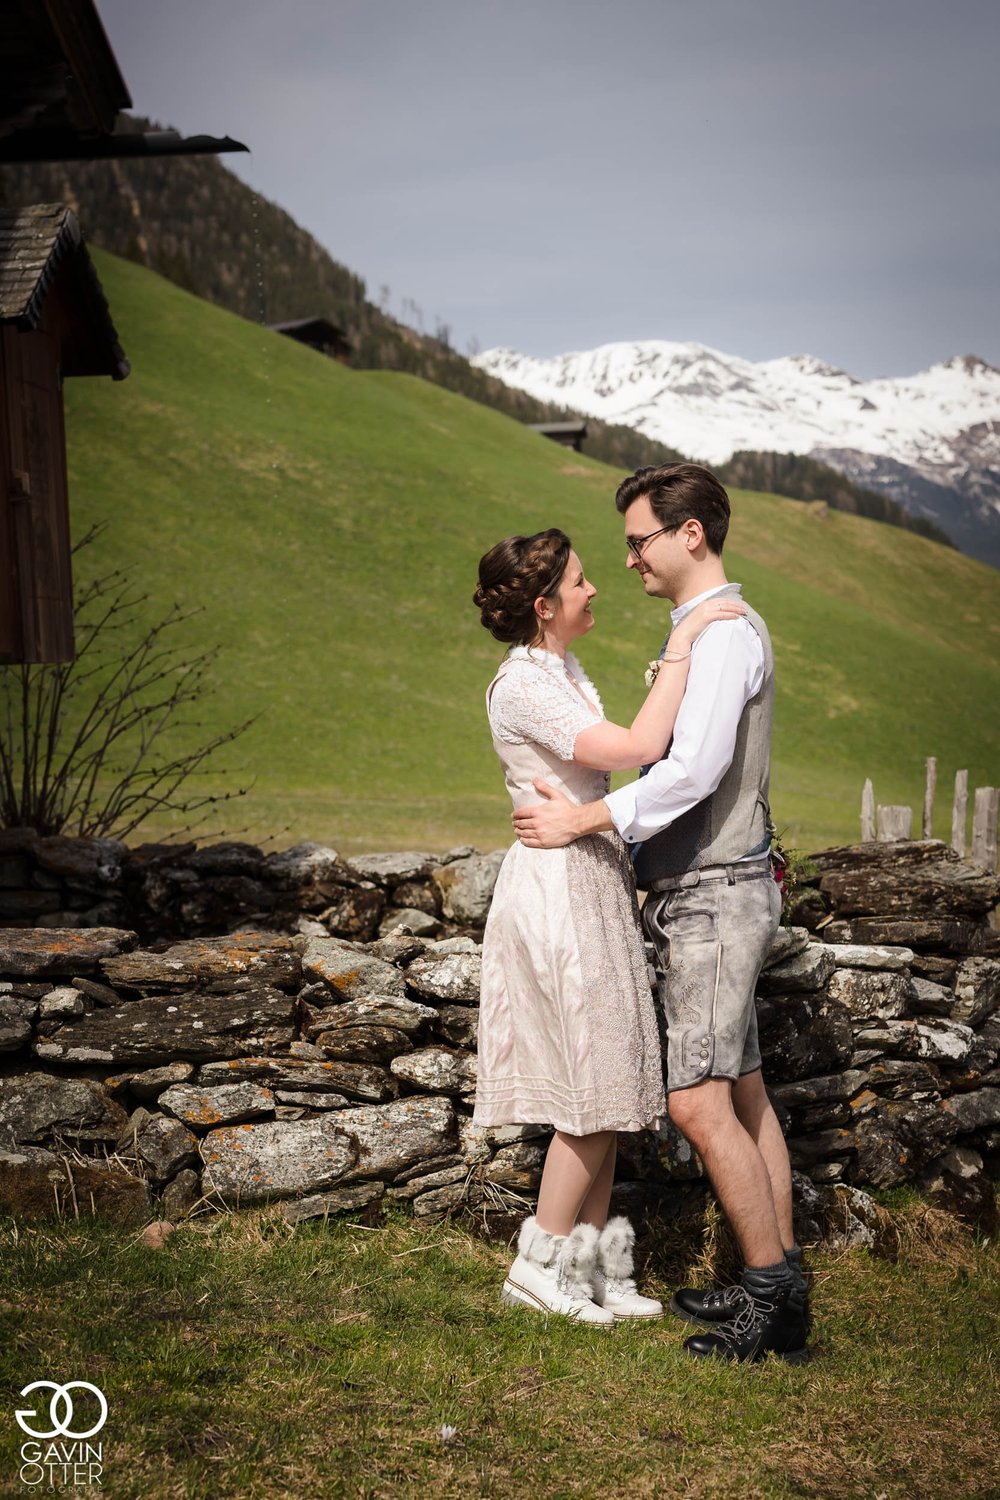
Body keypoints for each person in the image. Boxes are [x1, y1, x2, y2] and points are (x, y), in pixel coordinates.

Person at [512, 464, 809, 1364]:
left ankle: (773, 1306)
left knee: (696, 1103)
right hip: (719, 887)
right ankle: (780, 1279)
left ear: (690, 535)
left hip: (716, 894)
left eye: (639, 539)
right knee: (747, 1096)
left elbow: (691, 772)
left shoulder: (720, 637)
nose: (628, 558)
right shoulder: (705, 630)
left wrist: (584, 817)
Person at [473, 528, 746, 1327]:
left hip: (590, 875)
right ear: (544, 605)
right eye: (582, 582)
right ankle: (538, 1263)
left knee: (609, 1083)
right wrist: (683, 648)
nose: (596, 590)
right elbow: (638, 746)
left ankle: (588, 1268)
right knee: (588, 1093)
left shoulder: (559, 670)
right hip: (558, 887)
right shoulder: (523, 684)